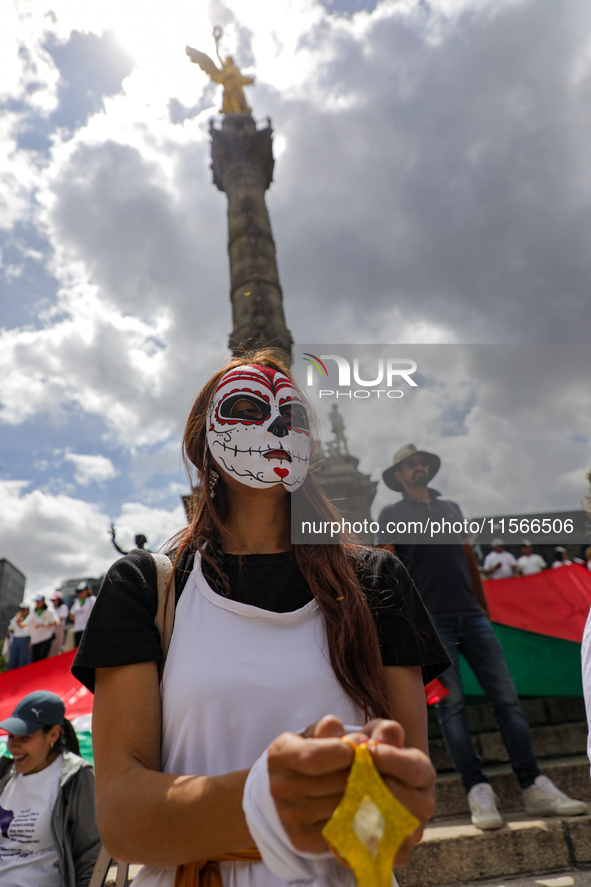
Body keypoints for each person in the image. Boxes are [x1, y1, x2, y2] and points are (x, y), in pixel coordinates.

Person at [72, 352, 450, 887]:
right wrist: (266, 798)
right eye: (247, 408)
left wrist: (384, 793)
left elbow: (406, 823)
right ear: (202, 443)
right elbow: (122, 821)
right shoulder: (144, 587)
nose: (274, 427)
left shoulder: (377, 580)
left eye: (291, 417)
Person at [376, 443, 588, 830]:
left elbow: (468, 559)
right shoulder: (391, 513)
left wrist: (485, 611)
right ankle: (477, 787)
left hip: (472, 616)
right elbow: (388, 565)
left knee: (507, 700)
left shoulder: (451, 508)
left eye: (422, 462)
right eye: (411, 464)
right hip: (431, 621)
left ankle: (533, 783)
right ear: (399, 476)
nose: (419, 467)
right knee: (451, 707)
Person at [0, 690, 100, 886]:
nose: (13, 746)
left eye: (24, 738)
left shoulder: (76, 777)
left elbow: (91, 856)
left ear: (53, 734)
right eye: (11, 737)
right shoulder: (4, 774)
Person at [24, 595, 58, 662]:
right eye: (36, 602)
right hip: (35, 640)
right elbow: (25, 624)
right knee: (34, 660)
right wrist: (18, 620)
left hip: (46, 638)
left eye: (38, 601)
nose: (37, 603)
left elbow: (55, 622)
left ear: (43, 602)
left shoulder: (49, 611)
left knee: (42, 658)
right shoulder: (33, 613)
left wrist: (43, 625)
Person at [5, 603, 31, 670]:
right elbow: (10, 629)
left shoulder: (30, 618)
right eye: (21, 609)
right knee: (12, 660)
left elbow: (21, 626)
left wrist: (18, 620)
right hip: (15, 640)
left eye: (24, 609)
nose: (22, 611)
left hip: (26, 640)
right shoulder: (15, 618)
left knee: (23, 661)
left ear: (28, 610)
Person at [49, 592, 69, 657]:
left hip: (58, 629)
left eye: (54, 600)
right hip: (50, 630)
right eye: (52, 600)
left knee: (56, 648)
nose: (53, 602)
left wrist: (49, 623)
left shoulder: (63, 607)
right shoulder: (51, 609)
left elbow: (60, 619)